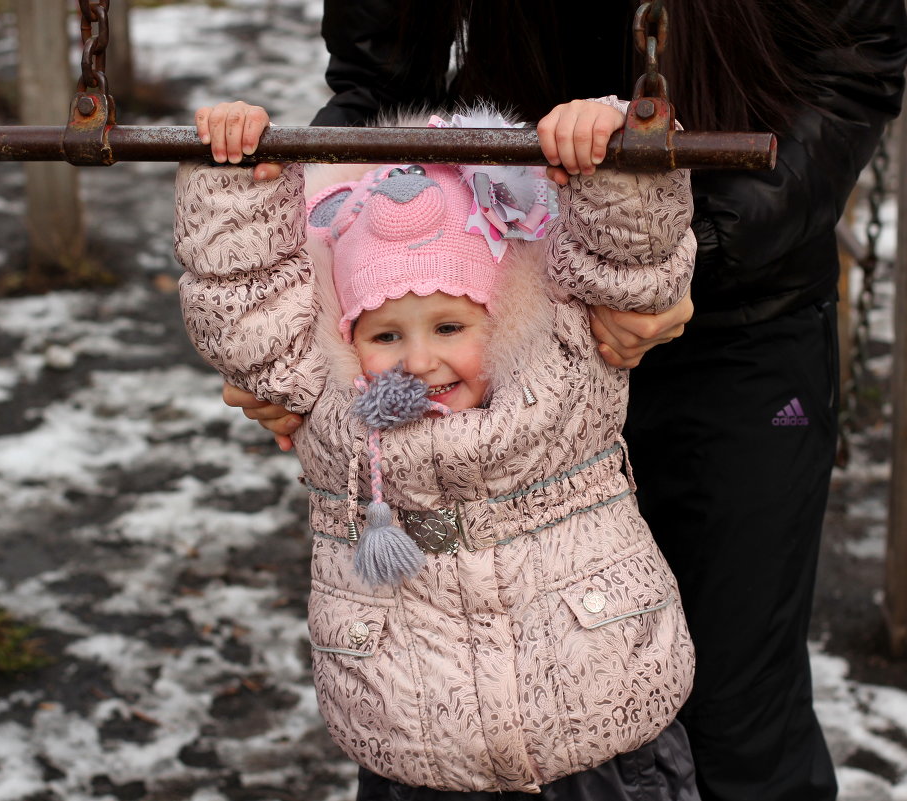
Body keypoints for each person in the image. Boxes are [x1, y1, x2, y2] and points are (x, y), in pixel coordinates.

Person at [196, 2, 907, 799]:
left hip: (743, 303)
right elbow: (376, 87)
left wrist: (698, 254)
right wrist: (312, 322)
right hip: (490, 317)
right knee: (456, 698)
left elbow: (855, 64)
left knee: (738, 709)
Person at [177, 96, 701, 798]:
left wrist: (611, 144)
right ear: (345, 337)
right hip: (419, 750)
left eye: (450, 326)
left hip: (599, 736)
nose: (419, 360)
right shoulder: (331, 410)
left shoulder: (563, 372)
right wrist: (235, 171)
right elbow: (242, 301)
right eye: (386, 335)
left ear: (504, 315)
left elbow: (631, 256)